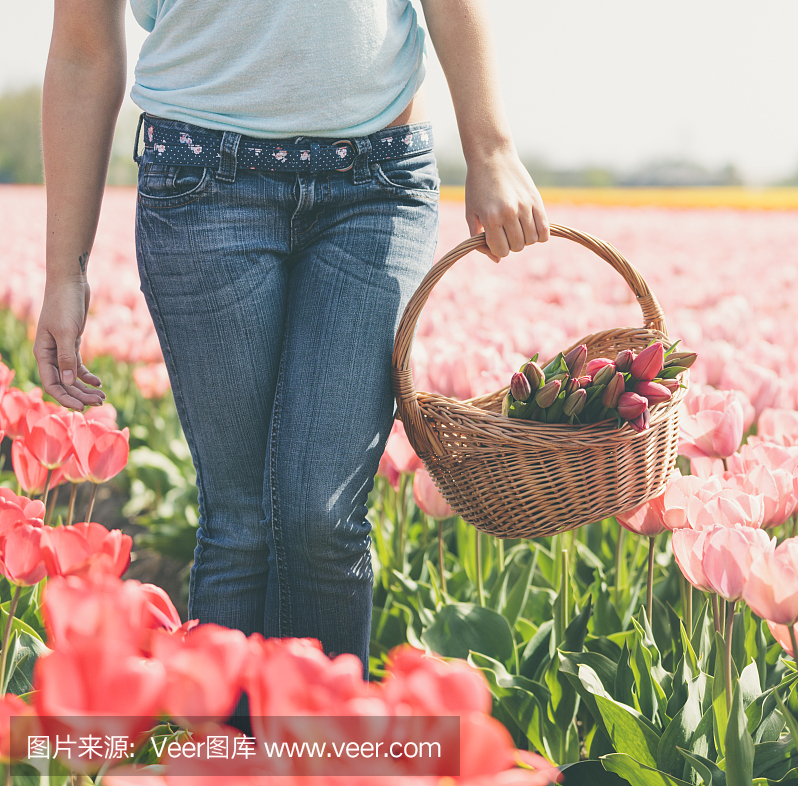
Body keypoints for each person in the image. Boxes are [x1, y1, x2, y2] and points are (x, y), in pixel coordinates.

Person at [35, 0, 548, 674]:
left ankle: (324, 761)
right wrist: (64, 270)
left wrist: (493, 148)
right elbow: (82, 49)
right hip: (203, 182)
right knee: (239, 523)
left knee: (323, 521)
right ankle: (226, 765)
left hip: (378, 184)